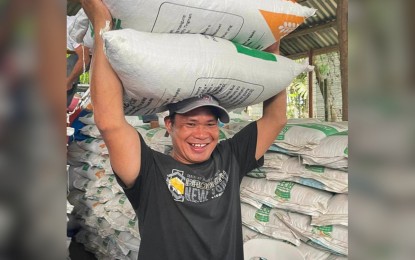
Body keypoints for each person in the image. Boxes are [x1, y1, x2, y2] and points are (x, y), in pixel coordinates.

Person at [81, 0, 287, 259]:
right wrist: (102, 24)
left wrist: (273, 54)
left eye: (210, 124)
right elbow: (110, 121)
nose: (202, 134)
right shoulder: (150, 171)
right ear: (170, 125)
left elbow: (275, 120)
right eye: (190, 123)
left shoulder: (231, 157)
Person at [67, 15, 91, 107]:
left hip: (92, 53)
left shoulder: (72, 32)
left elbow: (84, 59)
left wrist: (69, 81)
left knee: (68, 69)